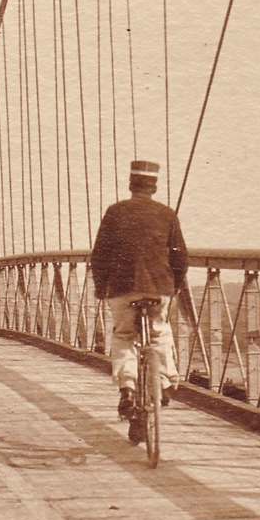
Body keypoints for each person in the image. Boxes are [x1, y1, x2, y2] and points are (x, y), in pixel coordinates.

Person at [89, 159, 187, 420]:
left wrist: (101, 288)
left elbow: (99, 255)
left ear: (131, 184)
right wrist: (174, 287)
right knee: (160, 333)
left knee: (123, 336)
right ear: (154, 187)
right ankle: (164, 383)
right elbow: (180, 258)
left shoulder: (115, 212)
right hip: (159, 287)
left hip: (122, 287)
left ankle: (128, 390)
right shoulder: (167, 214)